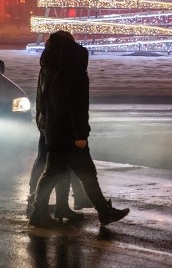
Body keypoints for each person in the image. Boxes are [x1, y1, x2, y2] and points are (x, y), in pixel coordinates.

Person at [29, 31, 130, 227]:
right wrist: (80, 134)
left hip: (54, 131)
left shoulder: (48, 70)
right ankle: (104, 212)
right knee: (86, 173)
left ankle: (40, 212)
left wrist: (46, 127)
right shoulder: (74, 74)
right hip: (70, 134)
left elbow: (47, 104)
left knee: (53, 173)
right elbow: (77, 106)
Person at [27, 31, 91, 221]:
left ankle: (49, 203)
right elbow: (62, 100)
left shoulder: (48, 63)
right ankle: (39, 202)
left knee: (51, 162)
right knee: (54, 164)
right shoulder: (57, 67)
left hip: (47, 120)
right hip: (55, 122)